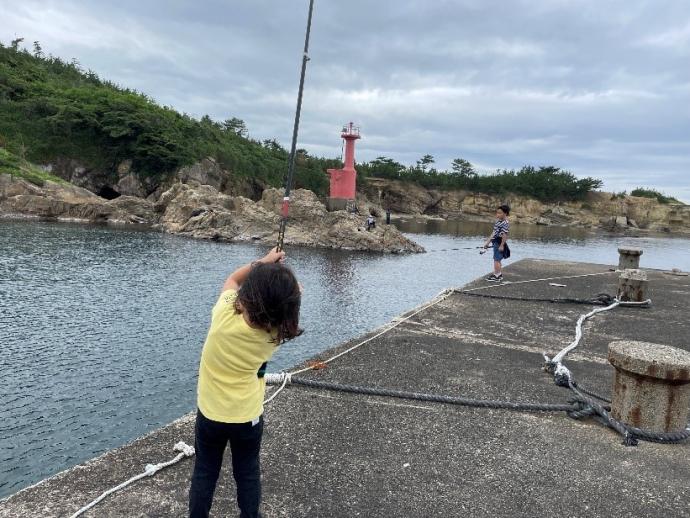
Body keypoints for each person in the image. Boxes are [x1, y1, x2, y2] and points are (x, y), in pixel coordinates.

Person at [189, 247, 302, 518]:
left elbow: (232, 279)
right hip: (247, 417)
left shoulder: (224, 314)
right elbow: (294, 293)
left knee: (205, 471)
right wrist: (279, 278)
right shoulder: (275, 333)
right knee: (247, 472)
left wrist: (263, 262)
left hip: (211, 414)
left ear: (249, 295)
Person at [482, 205, 510, 282]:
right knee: (497, 259)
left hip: (499, 242)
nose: (497, 214)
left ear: (505, 213)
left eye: (500, 213)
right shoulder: (498, 221)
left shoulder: (505, 222)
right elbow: (494, 233)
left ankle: (496, 276)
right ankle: (499, 274)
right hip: (495, 241)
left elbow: (505, 235)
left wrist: (501, 245)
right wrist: (487, 243)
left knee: (496, 260)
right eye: (497, 213)